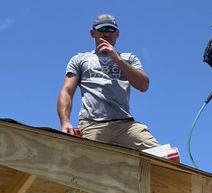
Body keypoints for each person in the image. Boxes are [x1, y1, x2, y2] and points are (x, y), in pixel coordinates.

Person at [57, 14, 160, 151]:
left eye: (111, 30)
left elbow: (143, 85)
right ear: (93, 33)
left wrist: (117, 59)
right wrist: (65, 122)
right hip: (91, 124)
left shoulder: (129, 58)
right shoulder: (80, 59)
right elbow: (67, 91)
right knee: (81, 162)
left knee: (162, 156)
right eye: (102, 29)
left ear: (117, 34)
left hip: (125, 125)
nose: (107, 33)